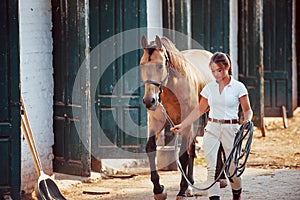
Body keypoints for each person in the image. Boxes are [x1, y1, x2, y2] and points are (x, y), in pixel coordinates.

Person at [171, 52, 253, 200]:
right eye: (213, 71)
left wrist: (247, 121)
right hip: (212, 128)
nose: (216, 74)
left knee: (232, 170)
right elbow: (199, 109)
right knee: (211, 169)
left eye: (219, 70)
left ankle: (237, 194)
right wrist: (182, 125)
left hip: (231, 129)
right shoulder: (209, 88)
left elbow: (247, 110)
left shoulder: (238, 87)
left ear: (226, 67)